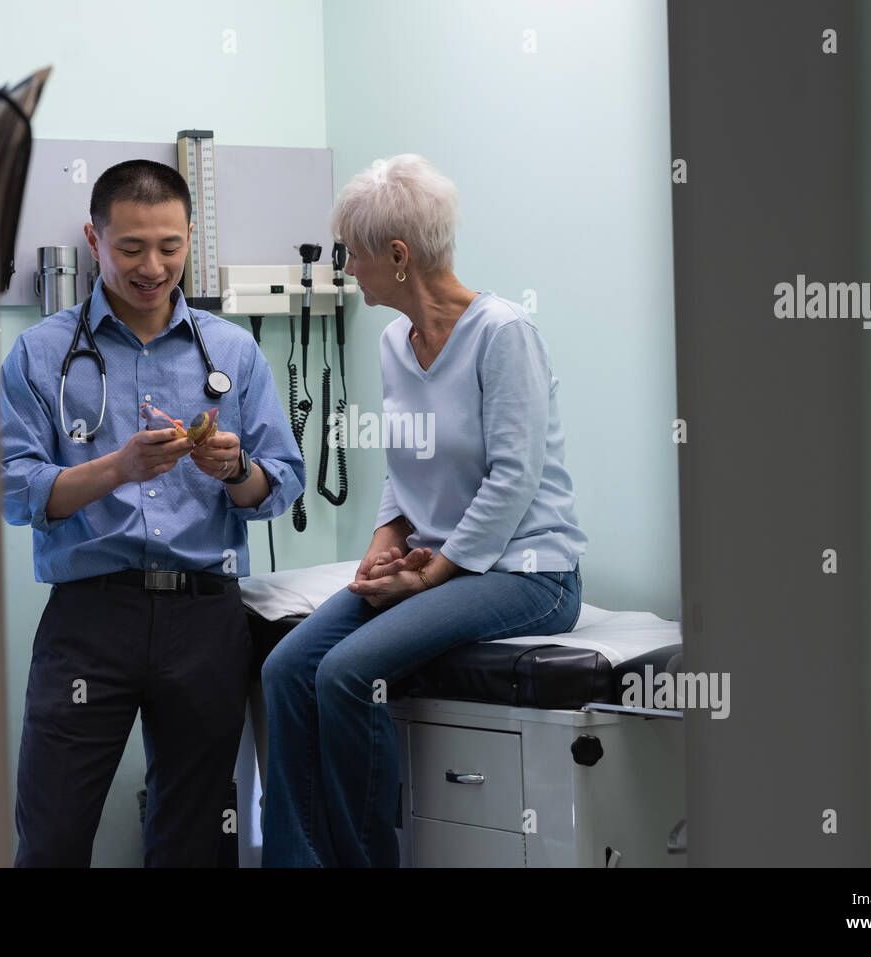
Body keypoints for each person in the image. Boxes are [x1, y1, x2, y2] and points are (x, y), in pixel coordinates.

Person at [260, 154, 588, 867]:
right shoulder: (392, 342)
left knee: (346, 672)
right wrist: (385, 542)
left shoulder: (503, 333)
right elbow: (404, 461)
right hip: (442, 563)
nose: (347, 268)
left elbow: (514, 478)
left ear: (398, 256)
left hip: (529, 572)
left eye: (352, 253)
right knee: (286, 668)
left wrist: (436, 570)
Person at [0, 159, 305, 867]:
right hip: (89, 620)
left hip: (205, 619)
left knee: (196, 834)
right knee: (52, 833)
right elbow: (15, 490)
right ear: (94, 239)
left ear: (190, 239)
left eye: (170, 246)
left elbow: (282, 484)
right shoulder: (42, 353)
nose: (152, 265)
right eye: (131, 247)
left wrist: (235, 470)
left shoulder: (230, 349)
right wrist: (117, 468)